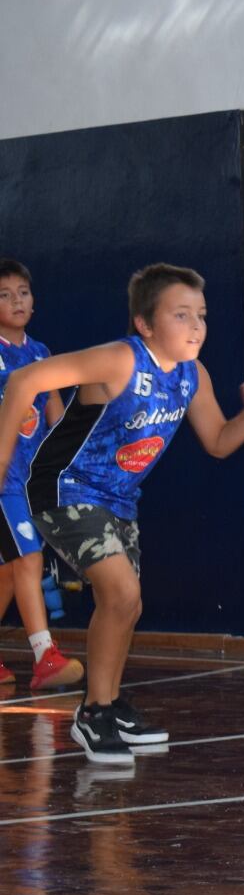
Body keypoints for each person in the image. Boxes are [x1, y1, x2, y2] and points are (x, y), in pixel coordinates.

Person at [0, 263, 244, 763]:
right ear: (145, 324)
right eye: (181, 315)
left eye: (202, 315)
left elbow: (217, 442)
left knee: (128, 606)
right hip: (64, 488)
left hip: (119, 500)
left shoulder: (193, 376)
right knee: (121, 591)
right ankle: (90, 717)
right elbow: (25, 379)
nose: (196, 326)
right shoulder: (119, 360)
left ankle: (107, 706)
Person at [0, 259, 80, 691]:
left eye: (23, 292)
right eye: (4, 293)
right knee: (27, 559)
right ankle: (44, 655)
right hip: (2, 481)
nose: (16, 300)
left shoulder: (41, 354)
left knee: (11, 573)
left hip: (29, 484)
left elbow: (59, 422)